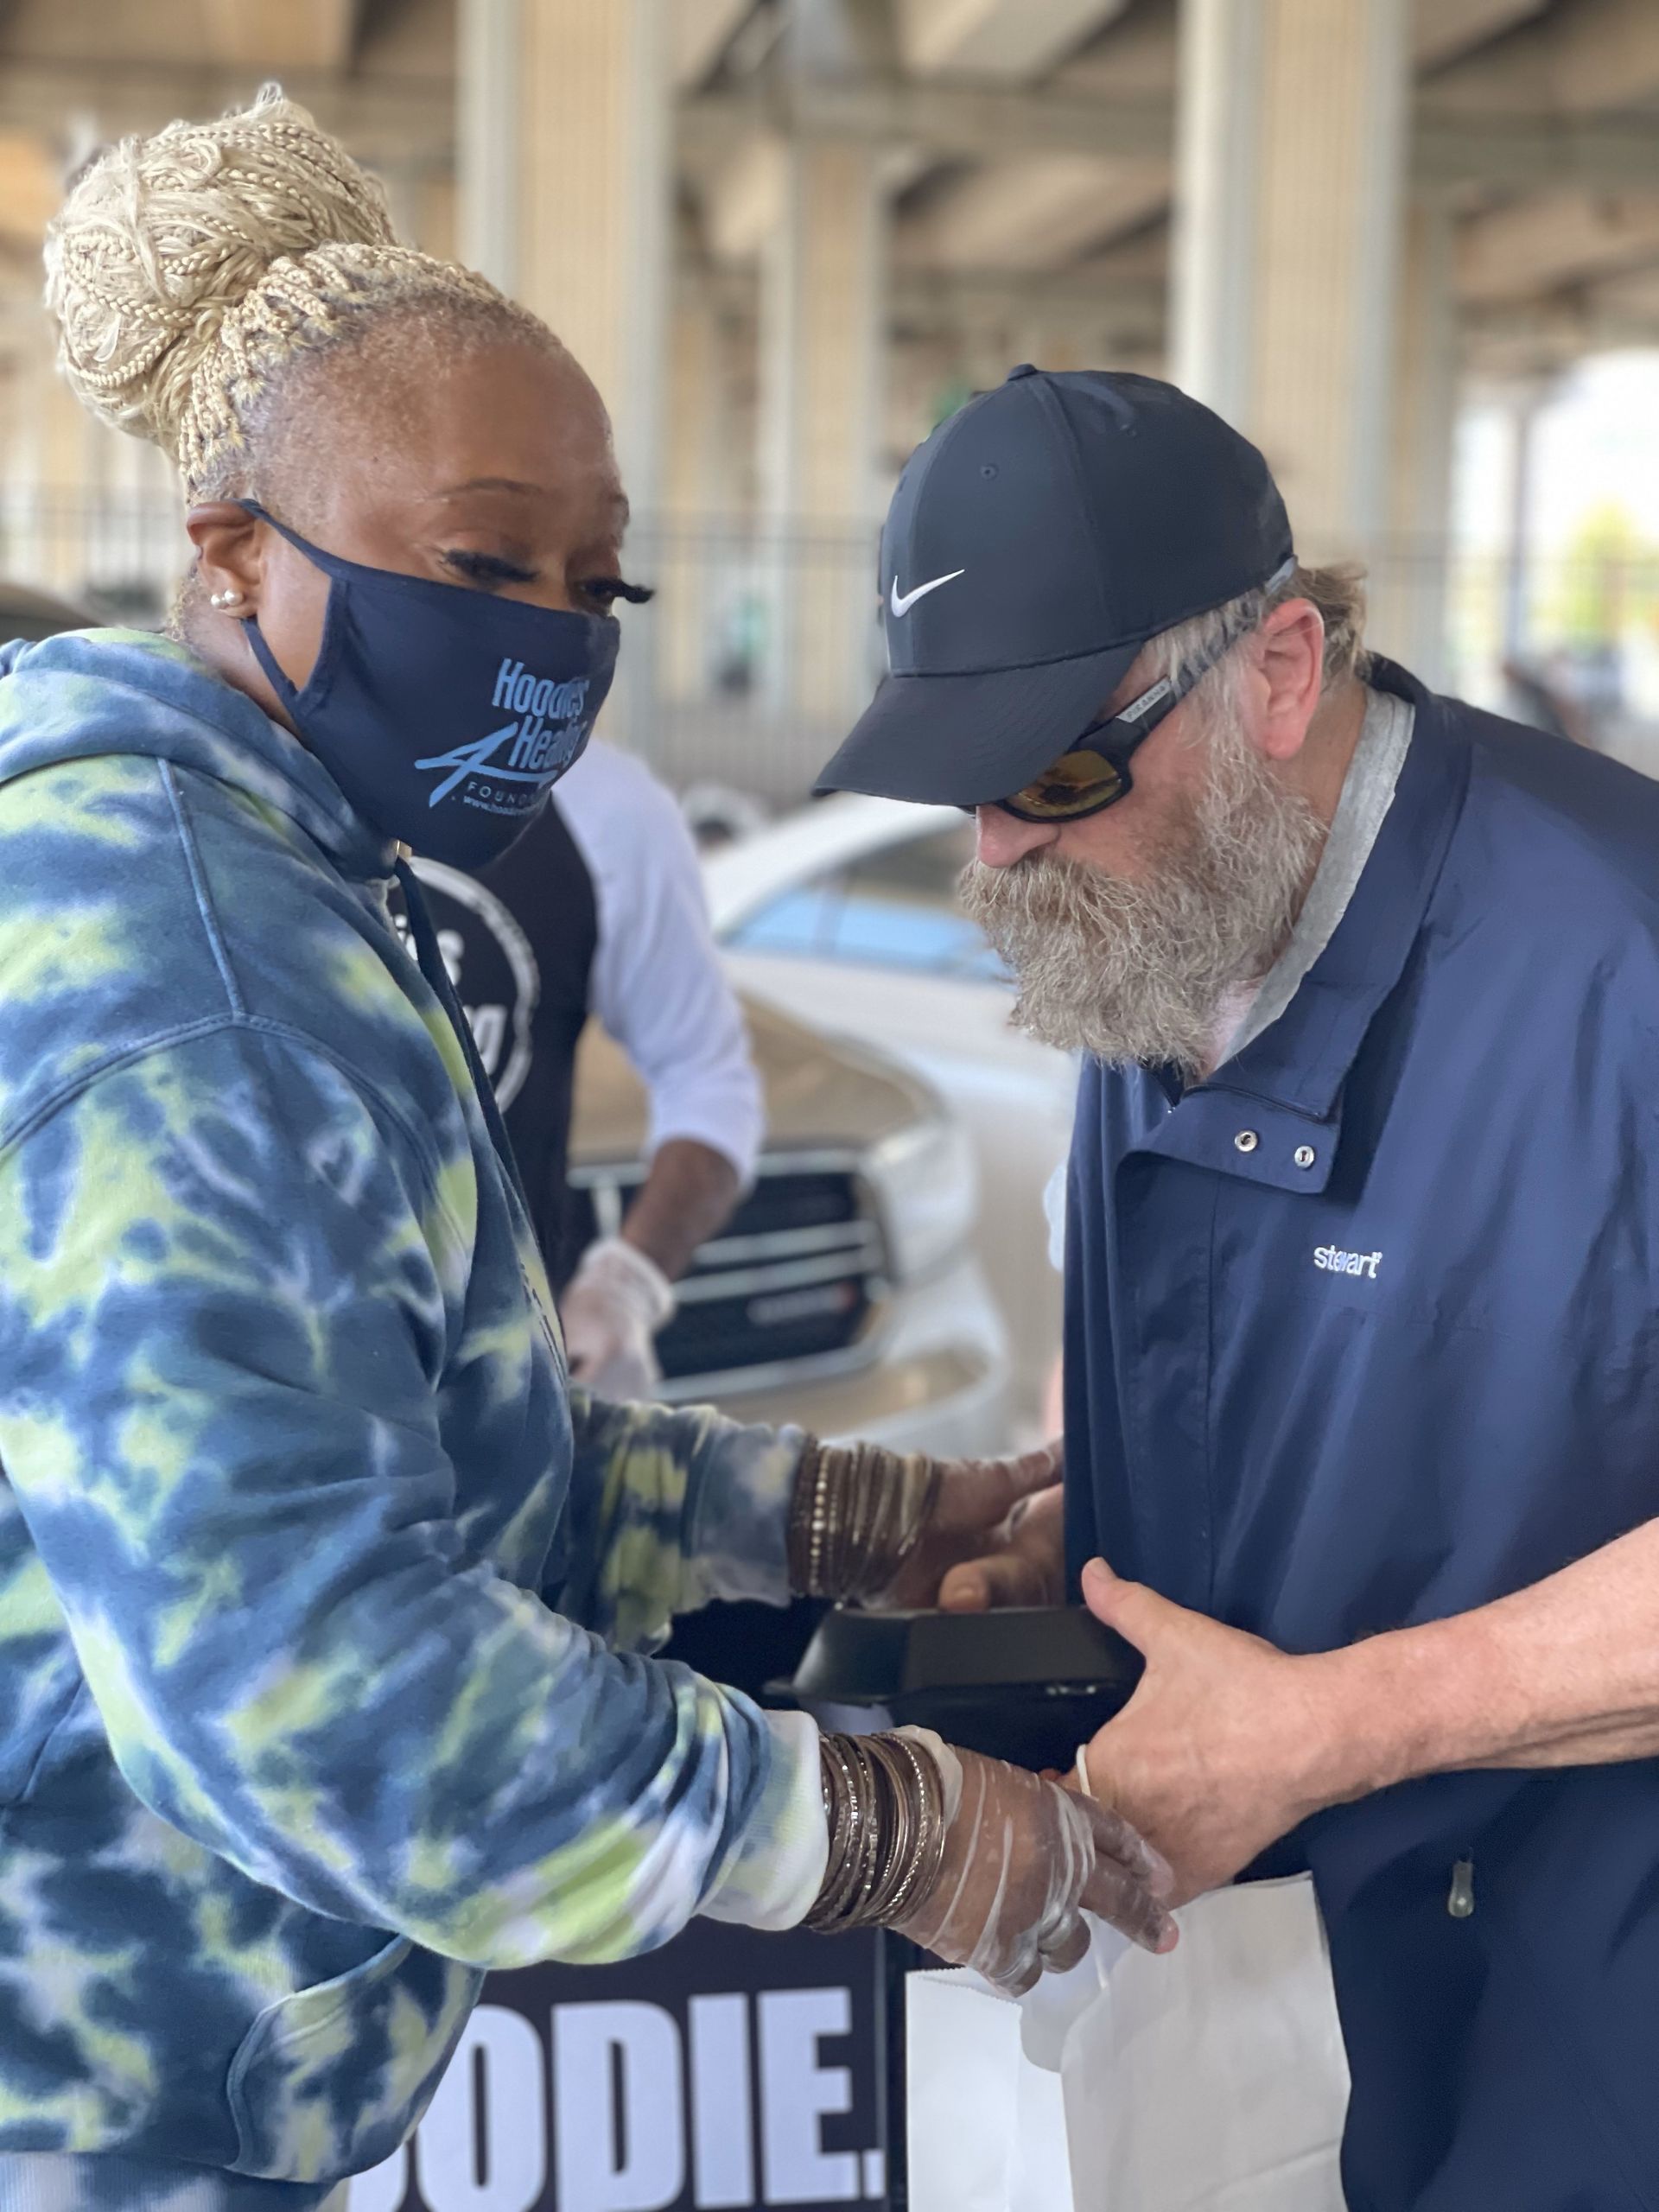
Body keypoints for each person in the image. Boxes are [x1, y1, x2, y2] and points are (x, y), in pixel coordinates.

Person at [0, 111, 1172, 2209]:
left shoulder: (287, 890)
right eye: (477, 562)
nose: (549, 636)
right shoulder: (199, 991)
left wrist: (832, 1506)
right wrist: (882, 1828)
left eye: (593, 579)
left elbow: (427, 1451)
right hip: (117, 2110)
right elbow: (311, 1676)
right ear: (232, 549)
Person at [818, 363, 1659, 2210]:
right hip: (1260, 2027)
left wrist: (1336, 1721)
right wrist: (1093, 1542)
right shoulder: (1165, 913)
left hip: (1585, 2051)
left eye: (1050, 771)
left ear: (1280, 669)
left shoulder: (1624, 963)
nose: (998, 858)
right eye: (964, 788)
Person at [405, 736, 763, 1400]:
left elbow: (708, 1079)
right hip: (267, 1386)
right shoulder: (243, 779)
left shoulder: (604, 806)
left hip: (506, 1394)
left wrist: (624, 1286)